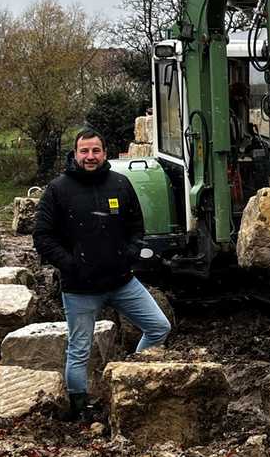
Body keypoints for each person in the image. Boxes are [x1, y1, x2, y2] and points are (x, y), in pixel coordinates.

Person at [33, 129, 171, 419]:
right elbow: (42, 237)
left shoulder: (120, 184)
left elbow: (137, 228)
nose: (90, 157)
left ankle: (130, 378)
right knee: (79, 349)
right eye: (84, 151)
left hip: (121, 281)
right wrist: (70, 263)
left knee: (159, 327)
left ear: (104, 153)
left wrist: (129, 254)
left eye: (95, 151)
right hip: (80, 288)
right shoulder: (58, 189)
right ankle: (81, 408)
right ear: (75, 154)